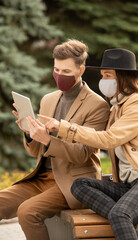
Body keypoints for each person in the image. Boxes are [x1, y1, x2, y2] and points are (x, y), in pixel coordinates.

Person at [39, 48, 138, 240]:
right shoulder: (117, 106)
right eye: (103, 75)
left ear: (123, 77)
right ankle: (136, 224)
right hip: (128, 185)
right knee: (79, 185)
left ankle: (128, 221)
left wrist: (64, 128)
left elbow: (108, 139)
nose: (104, 80)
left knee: (120, 214)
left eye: (108, 75)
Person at [0, 39, 110, 240]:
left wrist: (49, 140)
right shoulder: (48, 99)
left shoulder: (98, 106)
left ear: (81, 69)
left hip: (73, 181)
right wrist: (29, 132)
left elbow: (83, 154)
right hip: (42, 178)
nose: (59, 75)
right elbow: (36, 152)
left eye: (66, 71)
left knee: (28, 212)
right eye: (56, 69)